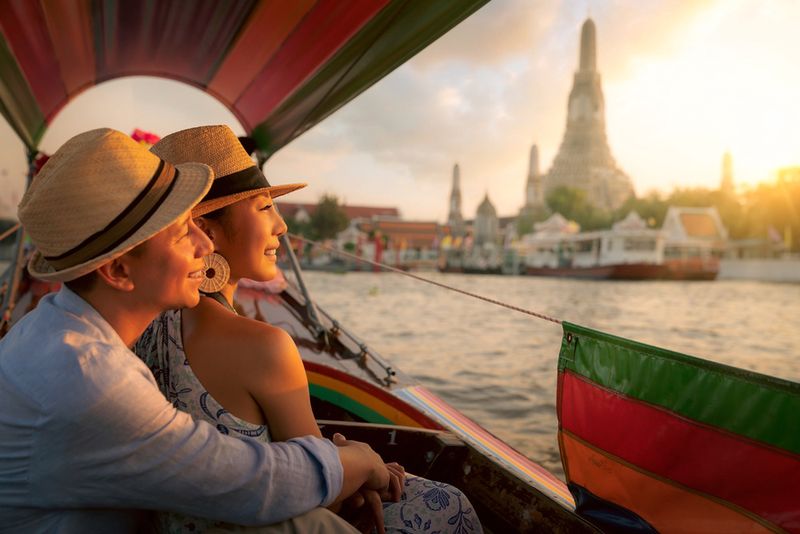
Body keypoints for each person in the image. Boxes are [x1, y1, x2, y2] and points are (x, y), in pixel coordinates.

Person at [0, 128, 390, 533]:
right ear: (118, 271)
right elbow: (251, 483)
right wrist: (358, 460)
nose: (204, 245)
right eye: (182, 230)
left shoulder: (51, 329)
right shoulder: (89, 379)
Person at [135, 125, 483, 534]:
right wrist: (362, 464)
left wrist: (342, 457)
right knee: (448, 504)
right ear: (206, 233)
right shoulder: (263, 347)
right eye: (265, 208)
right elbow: (329, 495)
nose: (281, 226)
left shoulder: (144, 327)